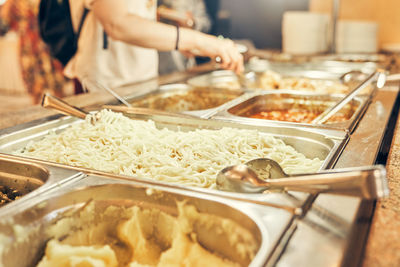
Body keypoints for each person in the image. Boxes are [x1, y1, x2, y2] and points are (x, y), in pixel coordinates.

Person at [66, 0, 243, 92]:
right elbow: (116, 23)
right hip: (105, 84)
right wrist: (197, 40)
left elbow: (137, 17)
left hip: (141, 81)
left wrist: (175, 40)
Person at [157, 0, 212, 75]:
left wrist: (191, 22)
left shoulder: (195, 2)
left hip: (187, 55)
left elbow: (206, 23)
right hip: (160, 55)